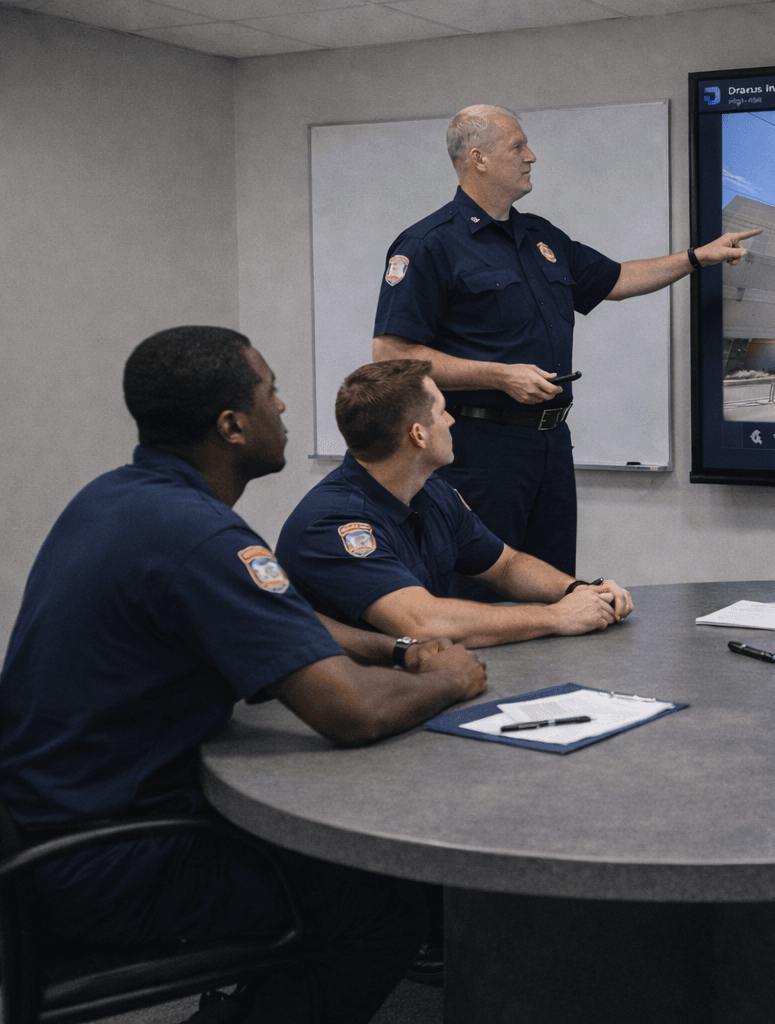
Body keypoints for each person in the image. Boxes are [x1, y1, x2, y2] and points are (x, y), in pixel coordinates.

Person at [0, 327, 489, 1024]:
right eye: (270, 392)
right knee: (382, 910)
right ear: (232, 426)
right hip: (108, 862)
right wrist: (452, 679)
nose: (283, 407)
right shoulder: (203, 537)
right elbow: (351, 713)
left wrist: (397, 649)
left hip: (47, 823)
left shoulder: (116, 498)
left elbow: (279, 617)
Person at [372, 103, 761, 587]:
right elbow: (391, 356)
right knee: (479, 590)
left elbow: (617, 279)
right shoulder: (428, 244)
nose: (531, 156)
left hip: (550, 445)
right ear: (478, 158)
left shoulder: (540, 236)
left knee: (554, 587)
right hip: (478, 450)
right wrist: (498, 375)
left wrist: (697, 258)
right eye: (517, 146)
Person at [277, 359, 633, 648]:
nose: (451, 420)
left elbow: (506, 566)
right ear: (417, 434)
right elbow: (423, 623)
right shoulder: (333, 524)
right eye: (443, 411)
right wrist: (557, 617)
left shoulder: (433, 492)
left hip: (410, 679)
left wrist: (578, 591)